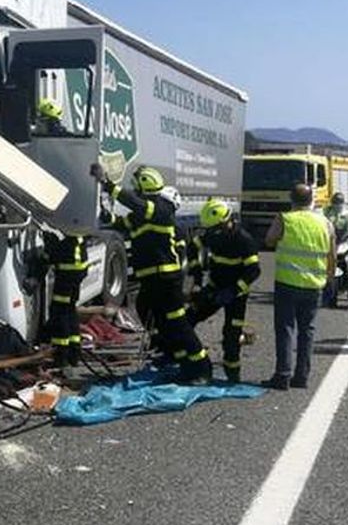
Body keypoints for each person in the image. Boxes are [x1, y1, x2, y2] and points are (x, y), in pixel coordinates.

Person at [92, 163, 212, 383]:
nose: (135, 189)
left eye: (137, 186)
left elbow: (135, 203)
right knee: (153, 316)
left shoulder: (159, 208)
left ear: (144, 186)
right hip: (151, 279)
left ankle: (201, 368)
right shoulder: (143, 214)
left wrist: (108, 184)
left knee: (177, 324)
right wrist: (102, 209)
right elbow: (120, 223)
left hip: (167, 279)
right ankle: (178, 360)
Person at [261, 183, 335, 390]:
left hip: (288, 283)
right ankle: (302, 376)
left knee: (285, 329)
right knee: (307, 331)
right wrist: (330, 280)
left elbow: (269, 241)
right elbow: (332, 256)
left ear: (291, 199)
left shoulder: (285, 219)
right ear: (312, 200)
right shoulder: (325, 223)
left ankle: (282, 375)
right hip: (313, 286)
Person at [187, 199, 262, 383]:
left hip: (236, 295)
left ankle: (233, 376)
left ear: (227, 222)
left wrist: (233, 292)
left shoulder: (244, 240)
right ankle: (193, 363)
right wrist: (197, 279)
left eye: (214, 228)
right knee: (187, 320)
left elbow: (254, 271)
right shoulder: (213, 234)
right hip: (214, 288)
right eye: (209, 230)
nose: (211, 234)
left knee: (231, 337)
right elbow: (192, 246)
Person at [41, 229, 89, 367]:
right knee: (70, 313)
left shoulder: (68, 243)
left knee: (60, 315)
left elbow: (54, 257)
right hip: (74, 282)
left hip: (65, 282)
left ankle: (61, 356)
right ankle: (74, 354)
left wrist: (50, 244)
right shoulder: (80, 238)